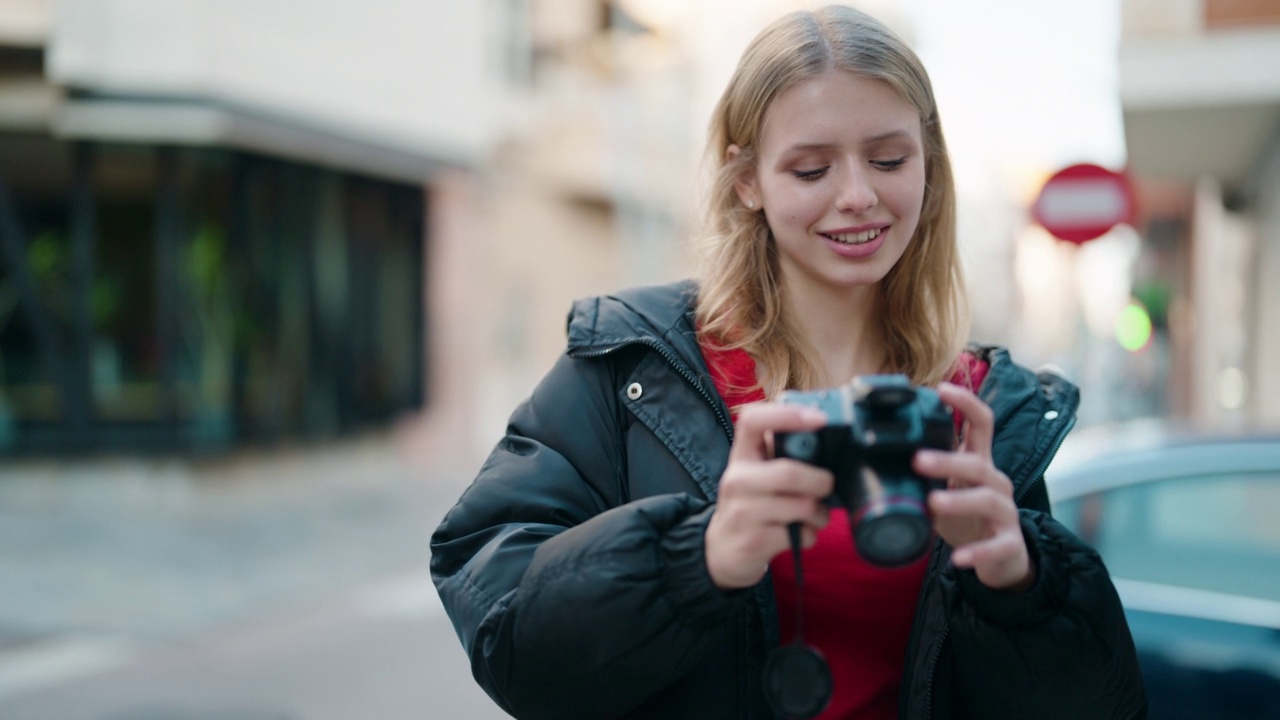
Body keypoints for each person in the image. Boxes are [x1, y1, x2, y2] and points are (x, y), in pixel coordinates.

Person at [430, 5, 1147, 719]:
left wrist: (1022, 587)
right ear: (748, 180)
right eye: (810, 169)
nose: (858, 195)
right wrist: (695, 559)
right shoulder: (630, 363)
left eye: (889, 159)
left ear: (929, 164)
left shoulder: (985, 405)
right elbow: (507, 639)